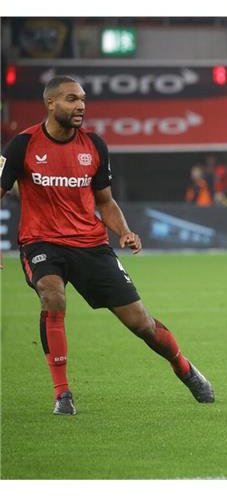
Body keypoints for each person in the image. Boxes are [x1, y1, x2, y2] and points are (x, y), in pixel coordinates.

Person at [0, 76, 214, 415]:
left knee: (141, 322)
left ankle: (184, 368)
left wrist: (124, 232)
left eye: (83, 99)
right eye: (71, 99)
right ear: (51, 104)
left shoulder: (94, 146)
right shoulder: (22, 145)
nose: (81, 106)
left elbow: (105, 202)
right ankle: (63, 394)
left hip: (91, 245)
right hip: (41, 242)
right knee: (52, 296)